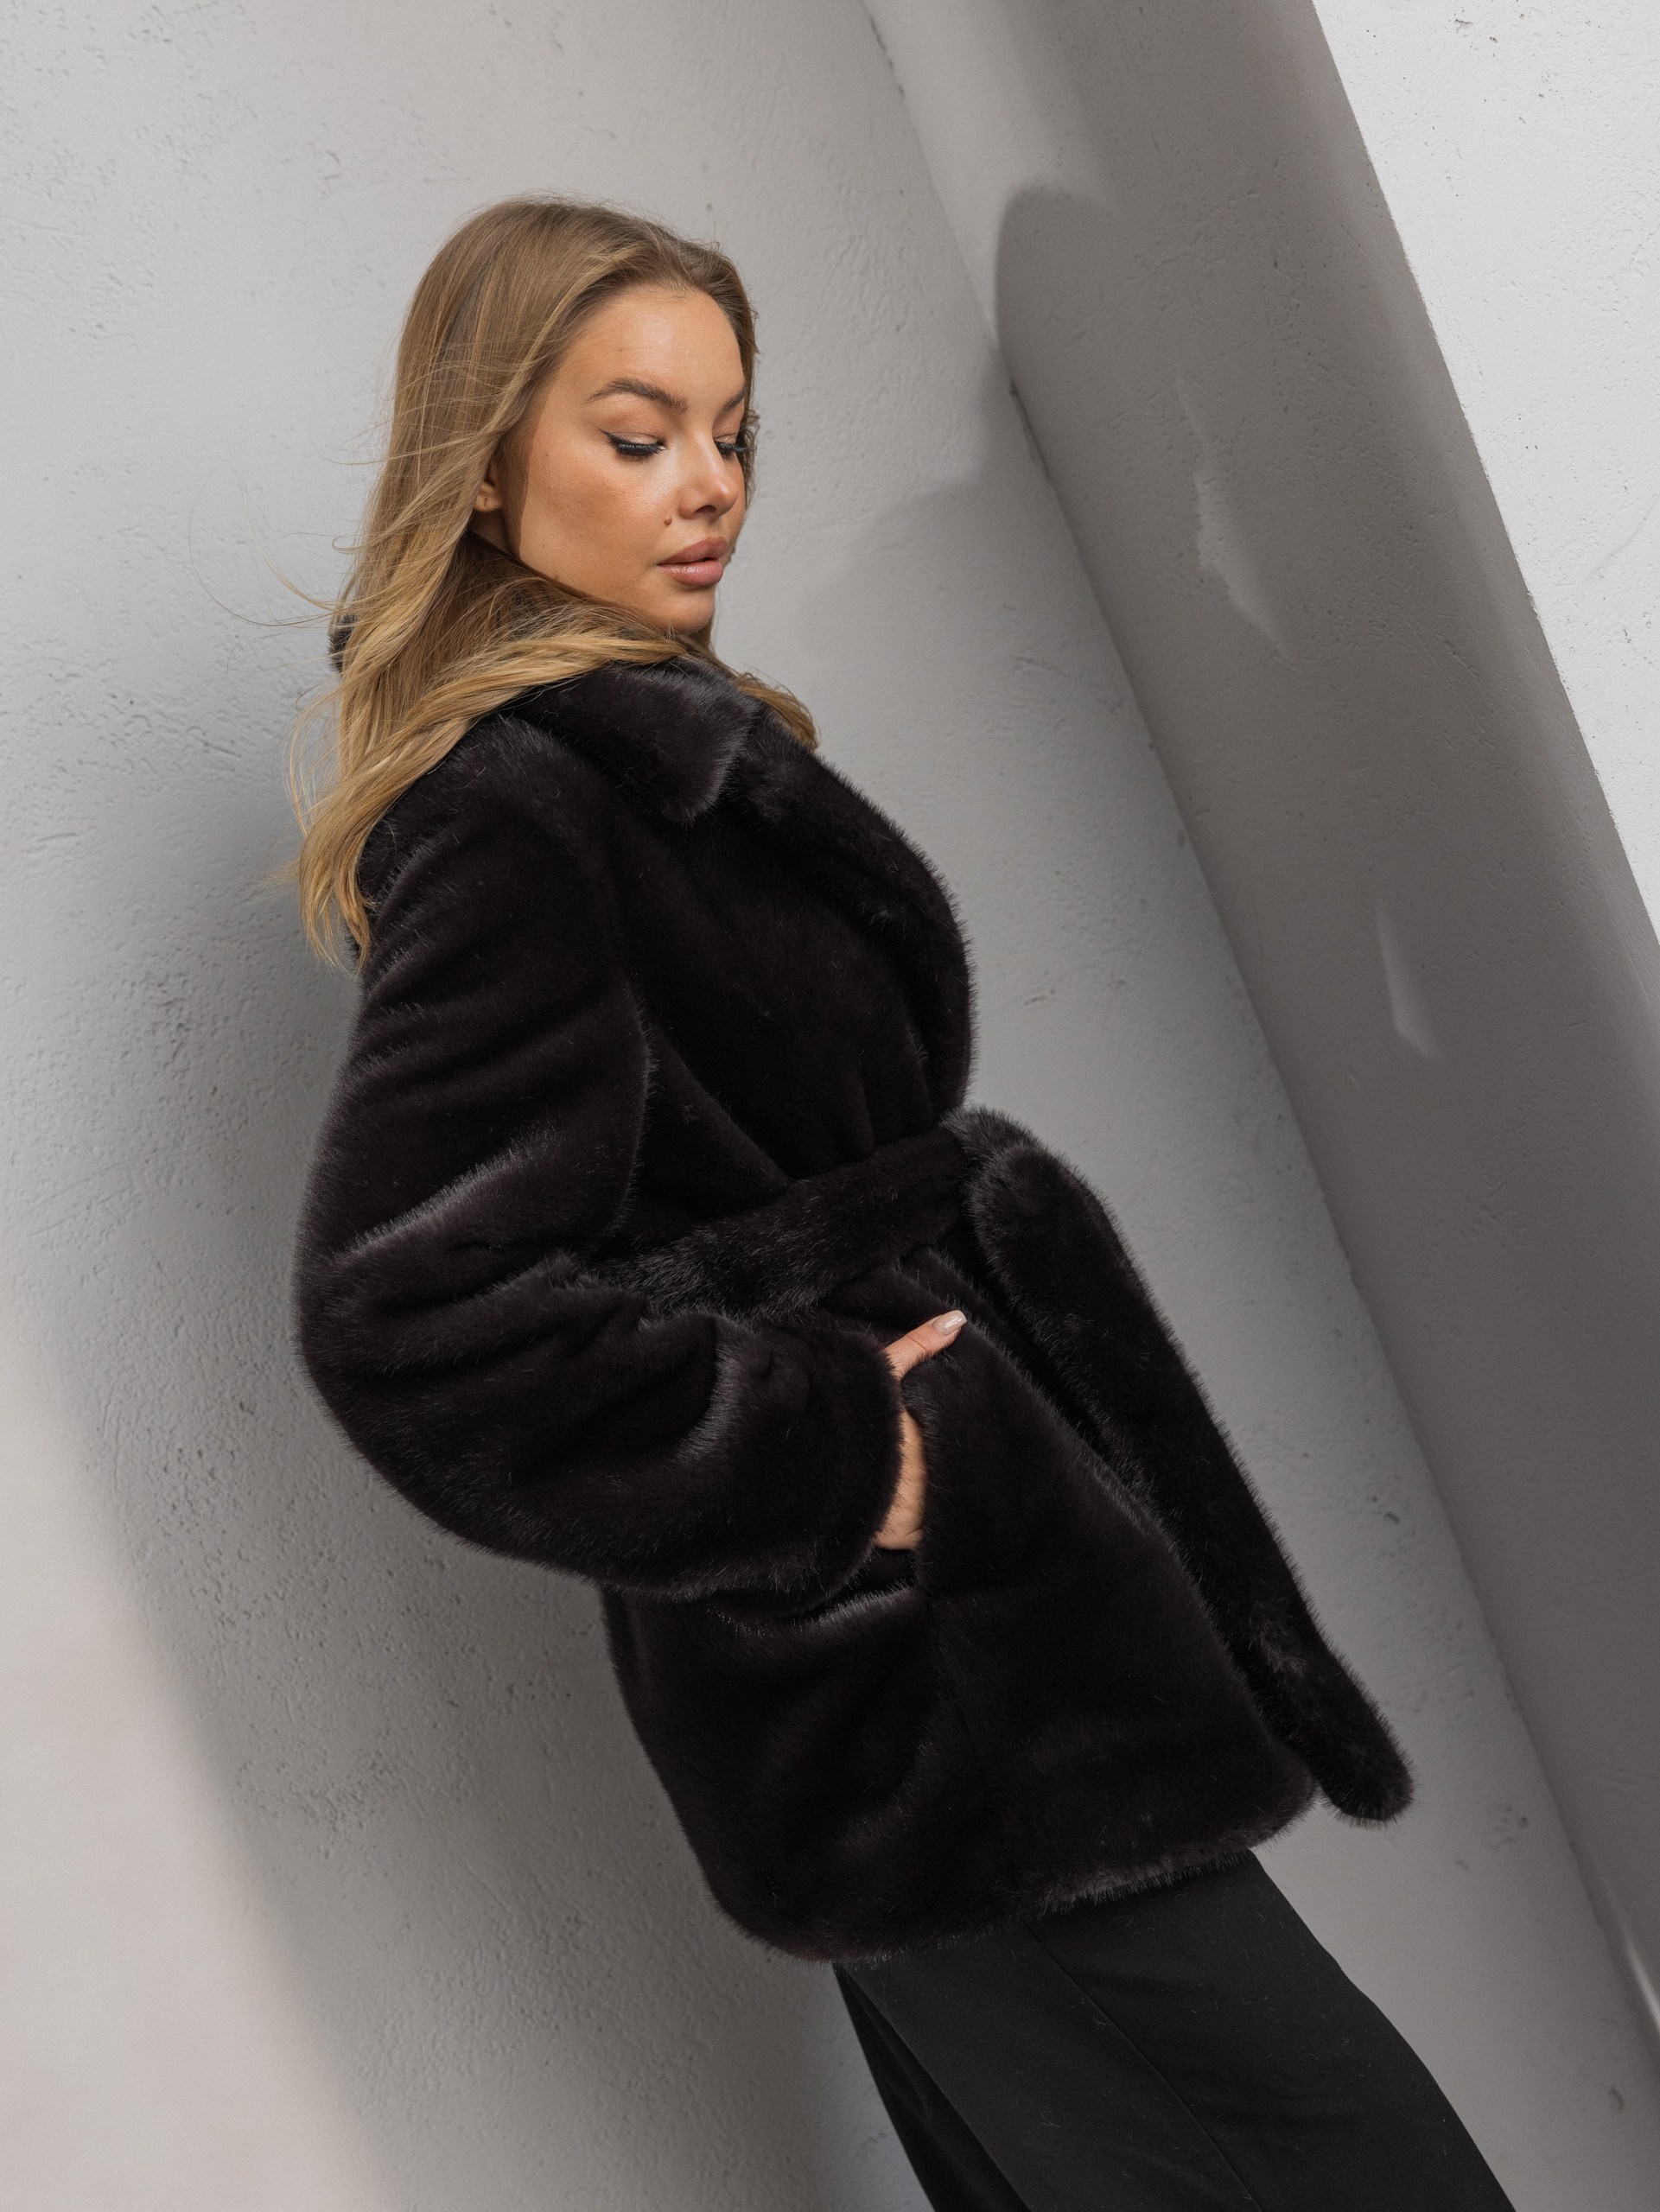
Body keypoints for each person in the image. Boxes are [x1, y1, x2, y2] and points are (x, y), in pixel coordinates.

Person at [290, 196, 1514, 2209]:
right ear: (486, 467)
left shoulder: (648, 761)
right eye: (637, 434)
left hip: (963, 1673)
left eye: (733, 432)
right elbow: (411, 1314)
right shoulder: (519, 810)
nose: (708, 486)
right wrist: (852, 1460)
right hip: (924, 1692)